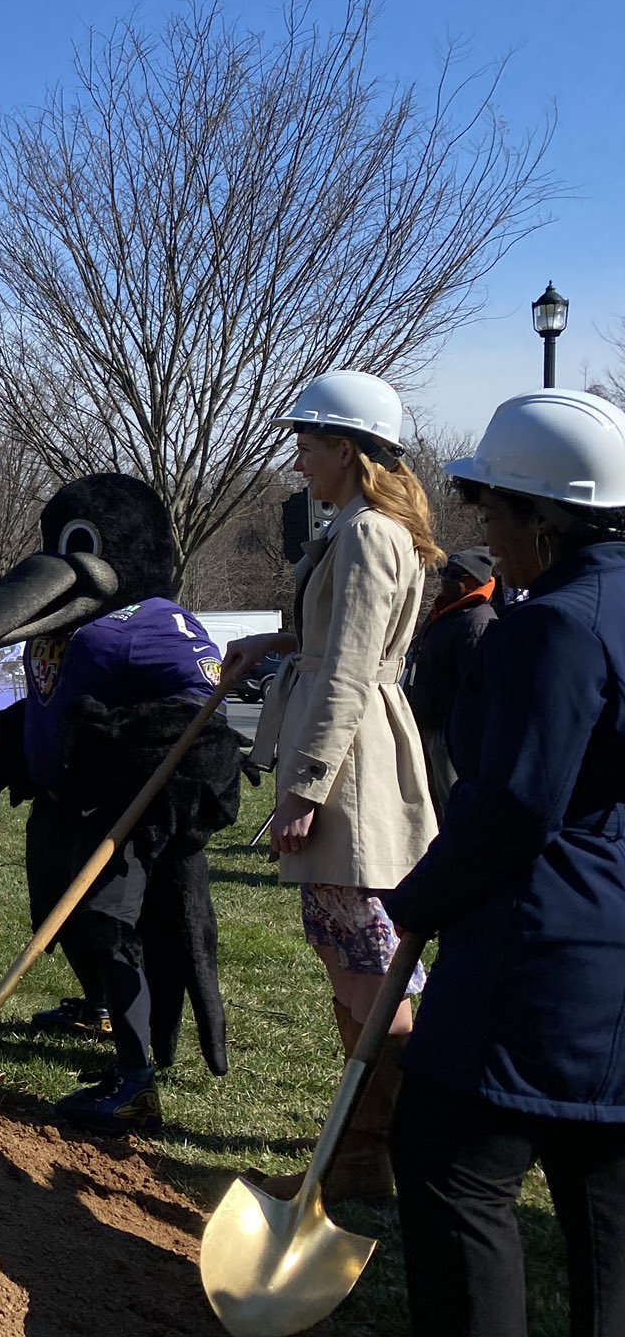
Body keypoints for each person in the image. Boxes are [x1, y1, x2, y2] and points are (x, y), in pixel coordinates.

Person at [382, 389, 625, 1337]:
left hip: (540, 955)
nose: (485, 526)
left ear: (547, 518)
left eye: (495, 507)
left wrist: (417, 900)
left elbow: (516, 806)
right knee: (604, 1205)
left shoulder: (551, 626)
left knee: (451, 1162)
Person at [0, 473, 242, 1132]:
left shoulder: (154, 623)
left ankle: (136, 1082)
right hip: (64, 804)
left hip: (122, 812)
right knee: (65, 918)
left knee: (112, 926)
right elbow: (61, 698)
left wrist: (143, 744)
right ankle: (104, 1015)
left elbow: (202, 703)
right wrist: (16, 730)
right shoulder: (64, 626)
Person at [222, 369, 440, 1202]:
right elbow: (336, 640)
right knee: (353, 958)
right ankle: (364, 1152)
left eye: (308, 442)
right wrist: (275, 643)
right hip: (349, 756)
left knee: (369, 969)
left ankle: (371, 1154)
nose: (298, 457)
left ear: (347, 449)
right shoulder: (361, 527)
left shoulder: (366, 534)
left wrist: (307, 786)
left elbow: (351, 667)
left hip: (351, 771)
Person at [400, 545, 496, 818]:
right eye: (445, 571)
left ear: (475, 581)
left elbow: (475, 685)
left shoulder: (477, 621)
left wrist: (454, 725)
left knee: (451, 800)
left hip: (448, 730)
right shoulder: (444, 613)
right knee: (427, 799)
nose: (446, 578)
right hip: (426, 720)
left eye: (456, 574)